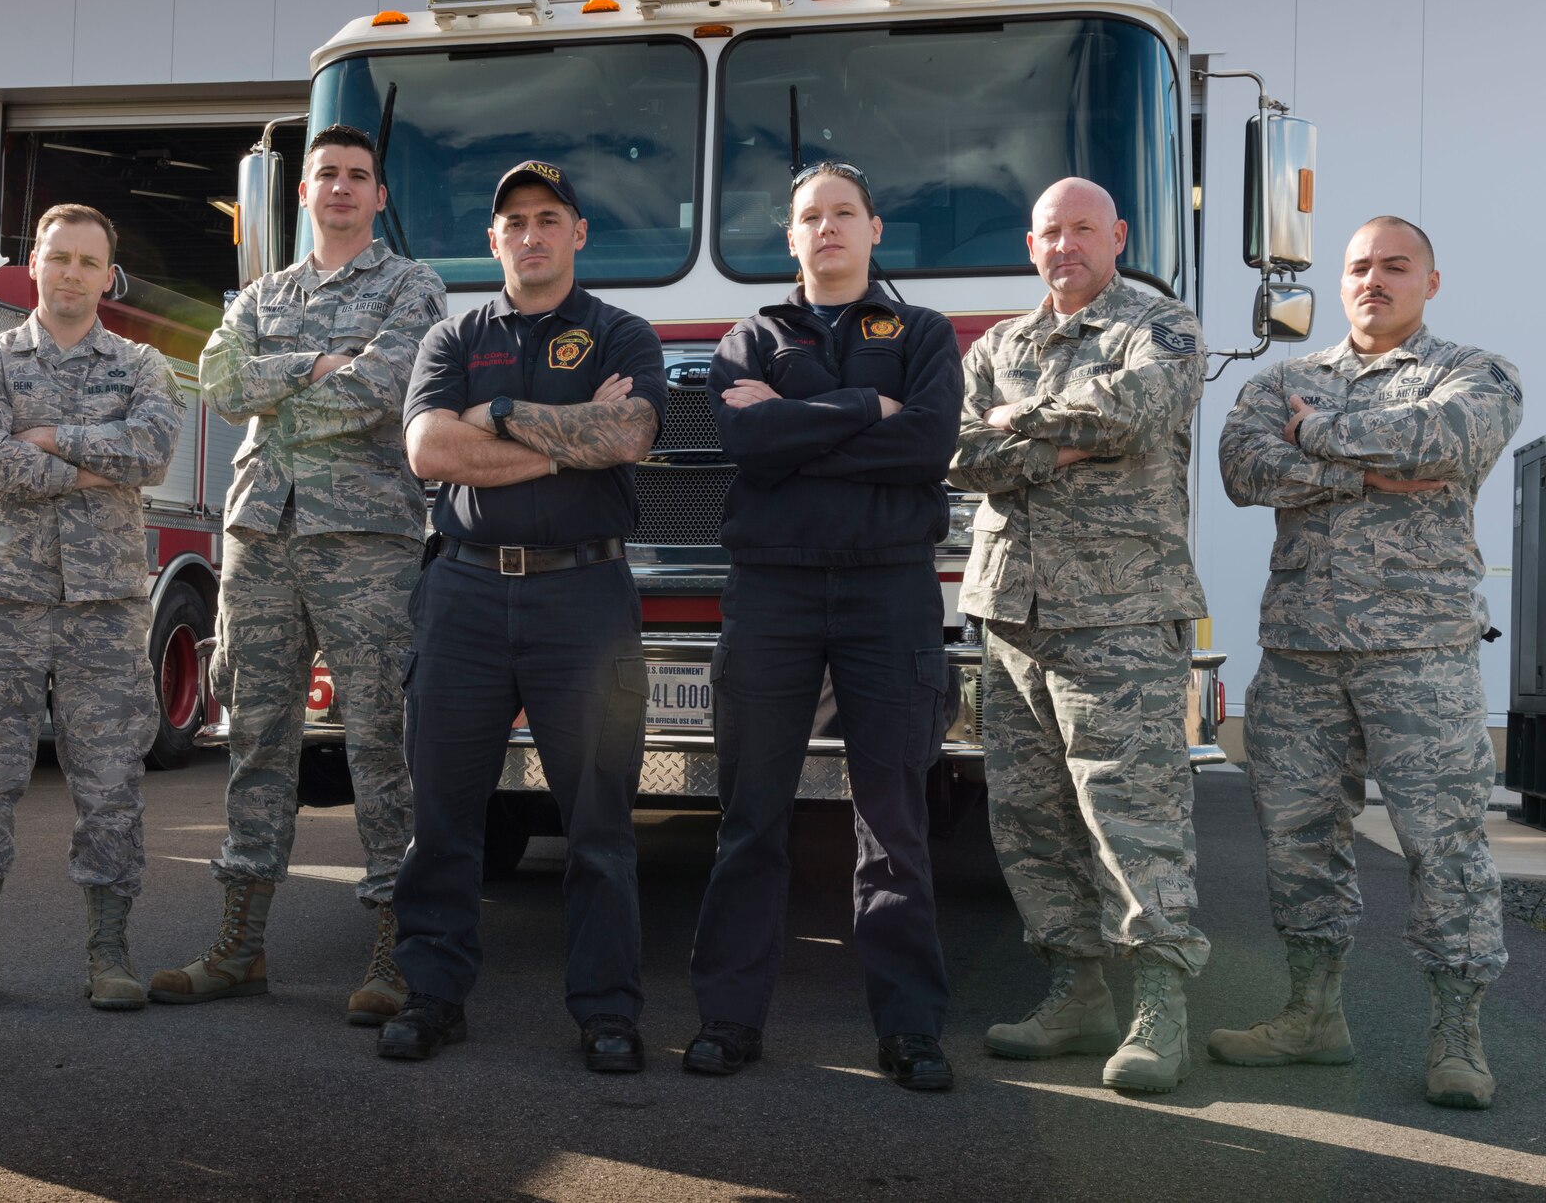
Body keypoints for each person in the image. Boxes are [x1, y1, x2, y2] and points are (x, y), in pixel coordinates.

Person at [1214, 216, 1522, 1110]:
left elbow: (1447, 442)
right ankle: (1313, 1013)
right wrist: (1365, 466)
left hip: (1419, 649)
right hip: (1303, 650)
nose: (1373, 280)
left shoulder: (1476, 370)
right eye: (1358, 267)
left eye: (1395, 266)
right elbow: (1240, 464)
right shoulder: (1287, 379)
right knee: (1298, 838)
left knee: (1445, 843)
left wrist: (1314, 439)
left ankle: (1458, 1031)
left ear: (1431, 280)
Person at [149, 125, 444, 1024]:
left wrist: (285, 385)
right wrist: (317, 364)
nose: (342, 188)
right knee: (256, 744)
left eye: (359, 176)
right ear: (303, 192)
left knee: (381, 743)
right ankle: (240, 945)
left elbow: (382, 391)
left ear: (380, 197)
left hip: (366, 539)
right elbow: (221, 384)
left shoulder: (413, 286)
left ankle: (400, 949)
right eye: (327, 175)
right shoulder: (259, 293)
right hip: (260, 537)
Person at [377, 160, 663, 1071]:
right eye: (514, 222)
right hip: (461, 592)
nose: (531, 234)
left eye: (549, 218)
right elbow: (428, 449)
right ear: (493, 240)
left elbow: (627, 435)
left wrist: (494, 420)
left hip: (583, 597)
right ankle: (432, 994)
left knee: (599, 821)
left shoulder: (623, 332)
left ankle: (608, 1011)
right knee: (446, 815)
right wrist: (560, 440)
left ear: (578, 233)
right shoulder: (452, 337)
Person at [683, 162, 961, 1090]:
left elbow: (926, 444)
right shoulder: (747, 337)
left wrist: (798, 422)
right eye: (812, 215)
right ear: (790, 236)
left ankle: (911, 1029)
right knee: (750, 815)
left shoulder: (923, 334)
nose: (829, 227)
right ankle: (727, 1017)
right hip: (773, 593)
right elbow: (745, 445)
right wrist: (861, 410)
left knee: (894, 821)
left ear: (875, 228)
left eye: (846, 211)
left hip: (891, 592)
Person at [950, 176, 1210, 1095]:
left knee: (1132, 816)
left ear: (1118, 236)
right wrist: (1059, 442)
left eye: (1084, 230)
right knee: (1029, 817)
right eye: (1050, 231)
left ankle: (1159, 1007)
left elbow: (1135, 410)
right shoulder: (1000, 343)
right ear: (1031, 245)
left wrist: (1020, 425)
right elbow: (957, 452)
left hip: (1122, 610)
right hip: (1012, 613)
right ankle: (1075, 990)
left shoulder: (1161, 325)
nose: (1066, 245)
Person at [0, 204, 183, 1012]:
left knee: (110, 784)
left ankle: (109, 951)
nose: (71, 272)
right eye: (58, 257)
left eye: (87, 261)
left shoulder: (145, 365)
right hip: (2, 601)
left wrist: (45, 438)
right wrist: (86, 466)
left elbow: (152, 451)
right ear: (31, 264)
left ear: (109, 276)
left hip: (104, 606)